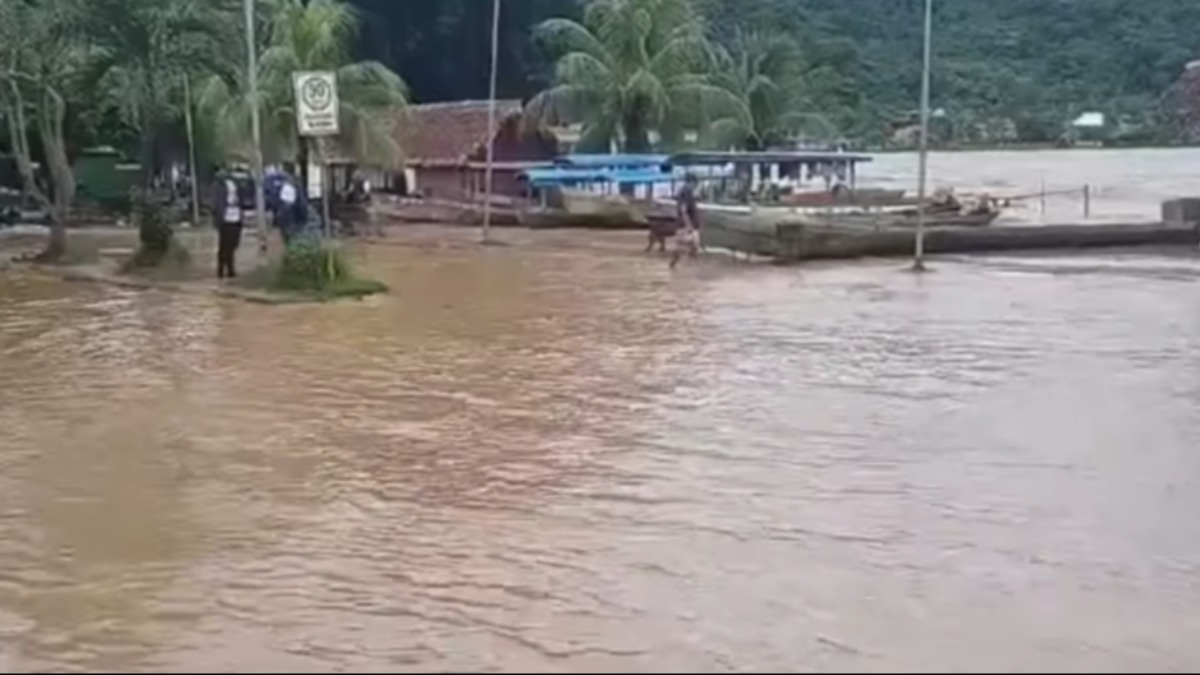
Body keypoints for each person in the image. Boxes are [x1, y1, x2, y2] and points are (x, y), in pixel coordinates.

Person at [211, 169, 244, 279]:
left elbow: (240, 198)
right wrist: (217, 216)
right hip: (224, 218)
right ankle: (221, 269)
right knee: (224, 244)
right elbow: (215, 202)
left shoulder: (234, 183)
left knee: (233, 244)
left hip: (236, 216)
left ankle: (230, 268)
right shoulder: (218, 185)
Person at [670, 173, 701, 269]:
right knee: (689, 246)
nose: (695, 186)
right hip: (686, 225)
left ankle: (676, 264)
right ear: (691, 182)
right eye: (695, 184)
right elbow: (684, 210)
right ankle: (687, 267)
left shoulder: (684, 191)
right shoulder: (686, 192)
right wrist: (689, 225)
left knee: (685, 246)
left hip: (684, 224)